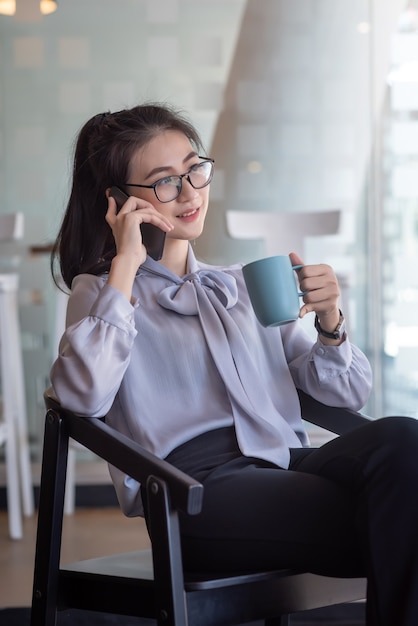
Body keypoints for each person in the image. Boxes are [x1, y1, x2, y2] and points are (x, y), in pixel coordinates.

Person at [50, 103, 418, 626]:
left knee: (405, 440)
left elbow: (344, 397)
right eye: (164, 183)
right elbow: (78, 398)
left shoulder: (242, 285)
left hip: (289, 463)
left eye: (193, 170)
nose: (190, 192)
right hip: (197, 494)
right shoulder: (102, 294)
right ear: (117, 202)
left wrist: (330, 323)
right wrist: (125, 265)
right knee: (397, 510)